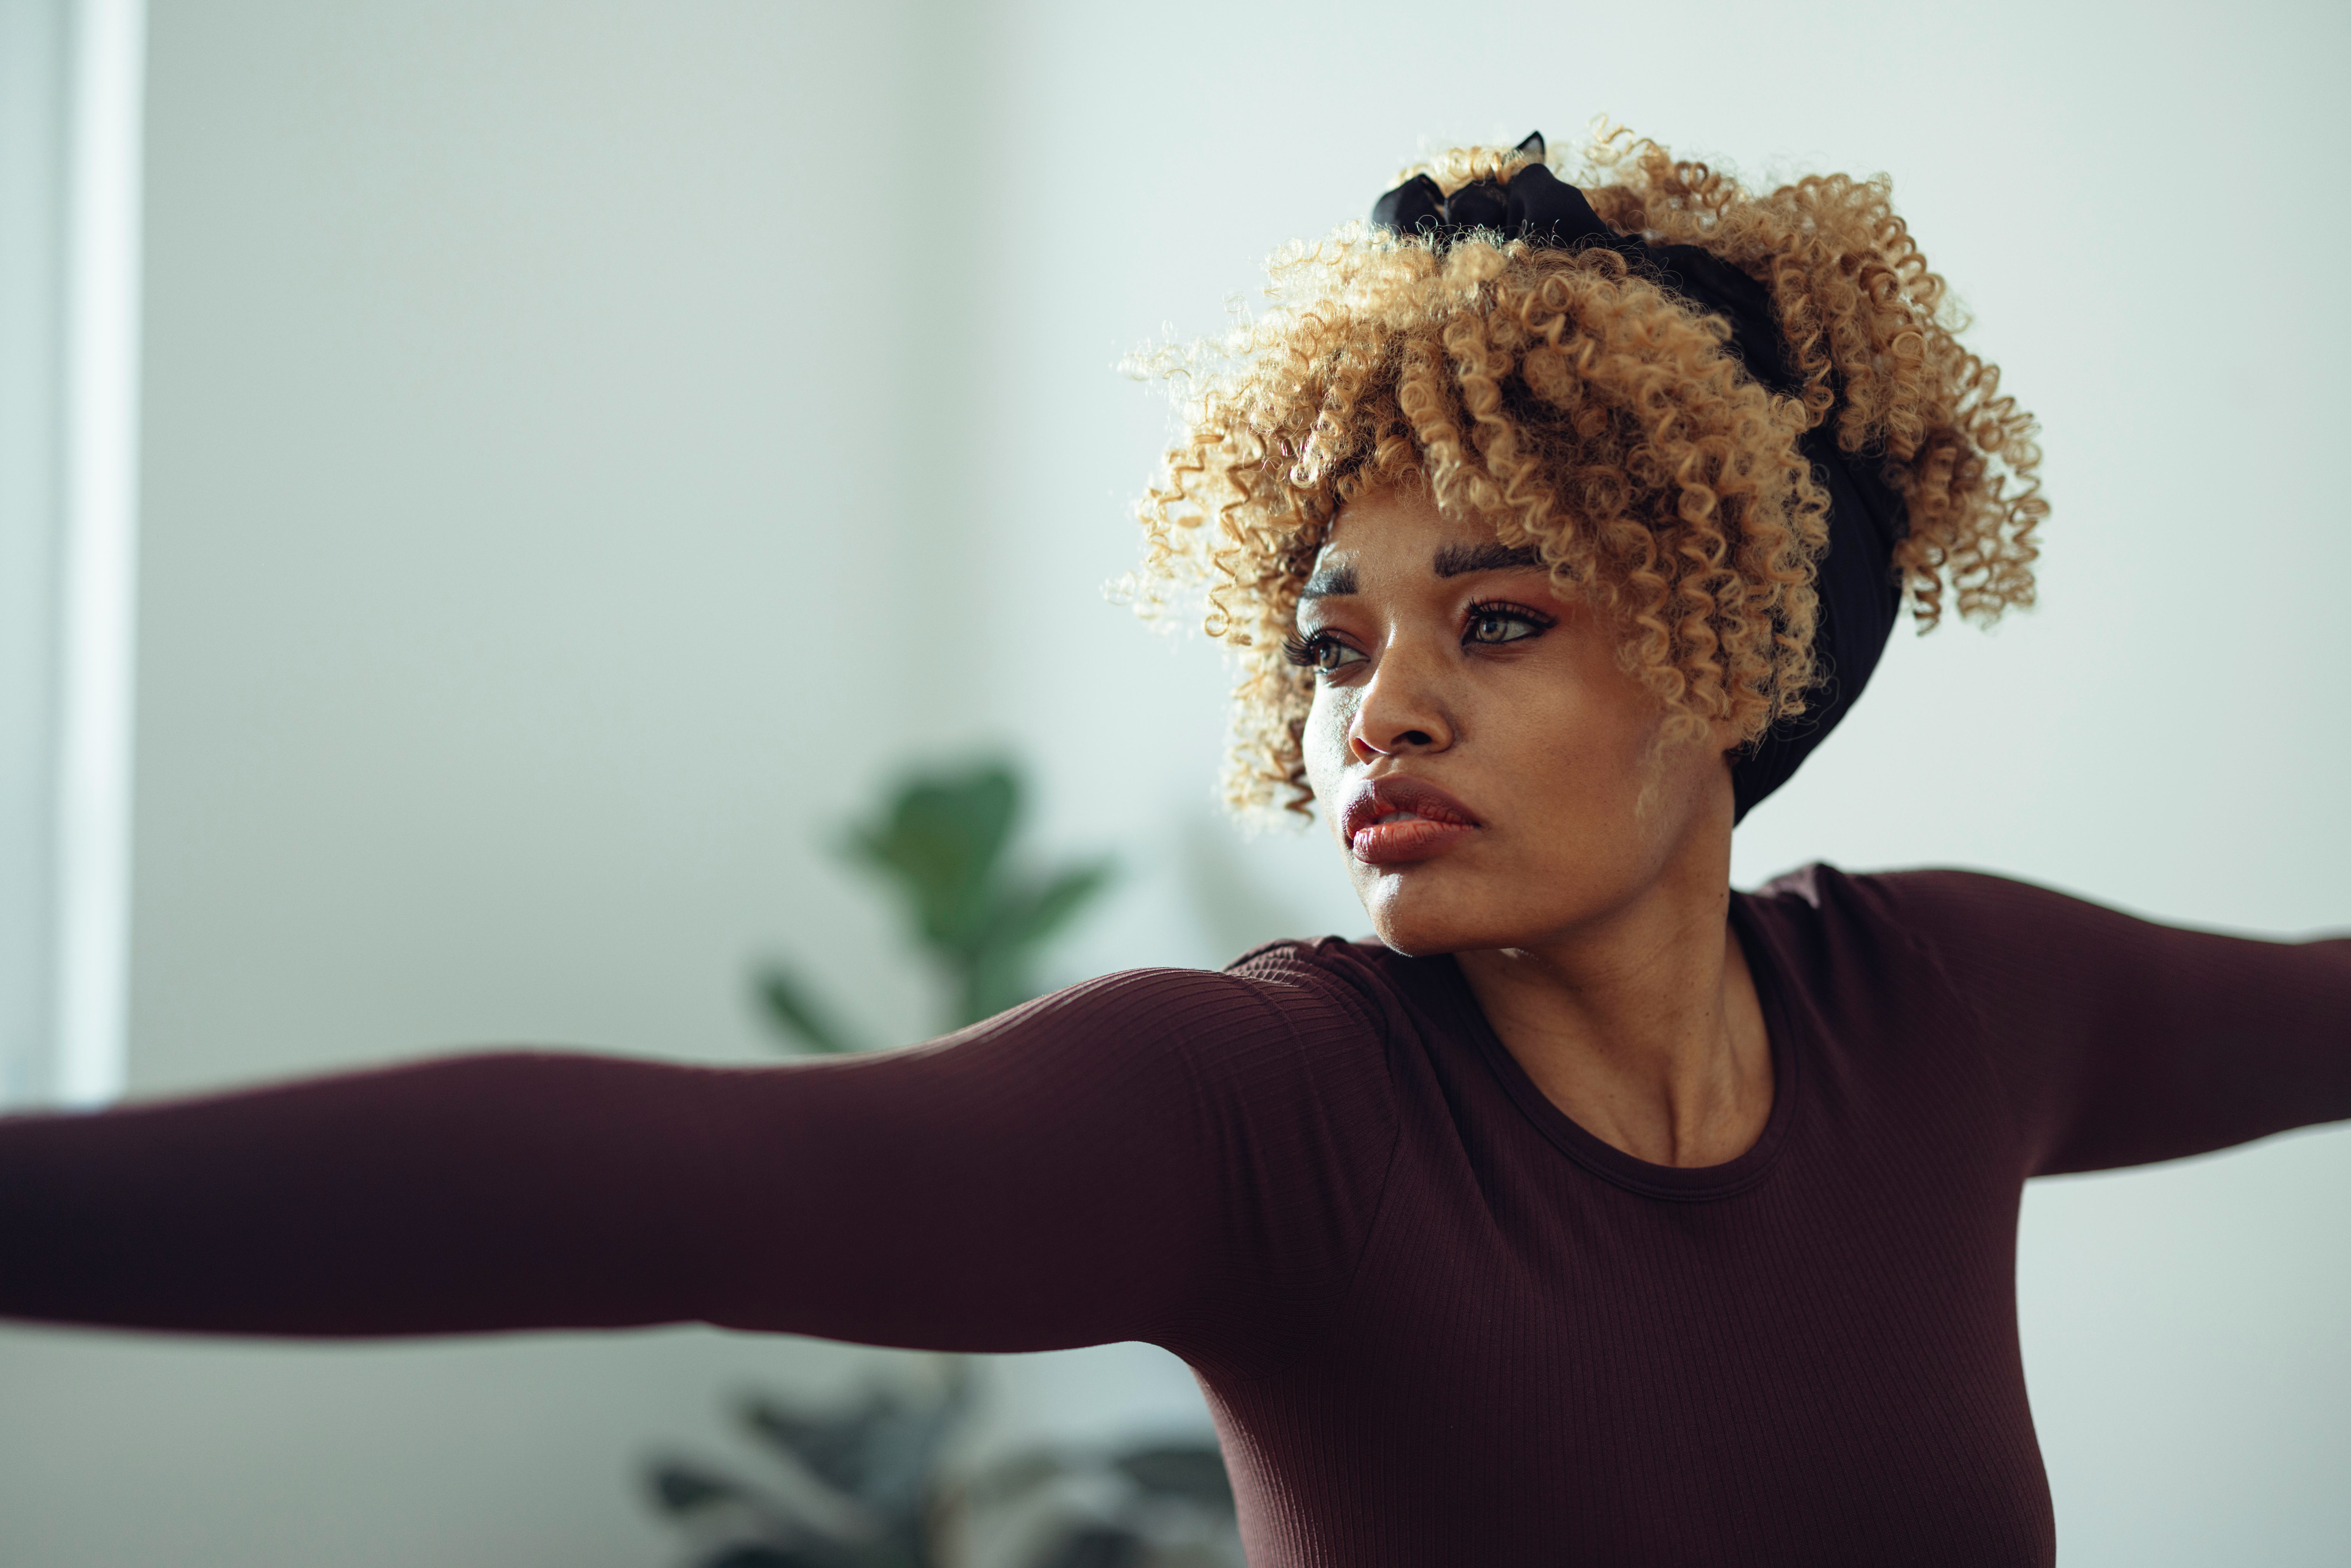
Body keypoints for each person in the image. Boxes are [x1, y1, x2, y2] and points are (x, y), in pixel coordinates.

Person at [3, 129, 2344, 1567]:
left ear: (1738, 656)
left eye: (1494, 619)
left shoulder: (1944, 1012)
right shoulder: (1271, 1113)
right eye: (1330, 640)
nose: (1376, 707)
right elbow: (671, 1179)